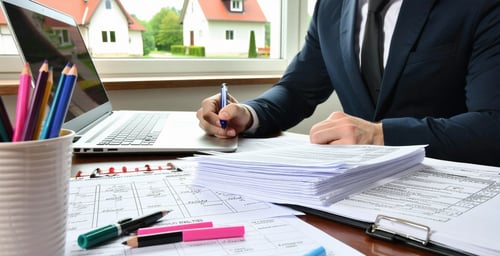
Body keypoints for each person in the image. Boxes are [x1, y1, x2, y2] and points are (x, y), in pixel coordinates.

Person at [197, 0, 500, 167]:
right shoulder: (330, 8)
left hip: (450, 184)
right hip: (354, 189)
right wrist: (247, 114)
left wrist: (380, 135)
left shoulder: (479, 6)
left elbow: (492, 126)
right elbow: (297, 89)